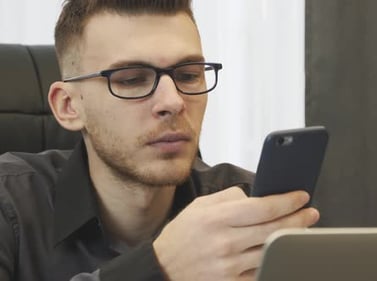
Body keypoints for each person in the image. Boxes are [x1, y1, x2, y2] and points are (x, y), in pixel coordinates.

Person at [0, 1, 320, 280]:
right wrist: (158, 268)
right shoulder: (10, 204)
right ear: (68, 106)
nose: (174, 101)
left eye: (188, 75)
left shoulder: (251, 209)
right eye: (132, 79)